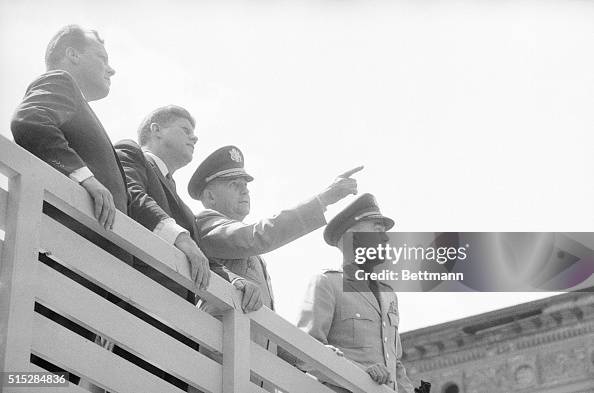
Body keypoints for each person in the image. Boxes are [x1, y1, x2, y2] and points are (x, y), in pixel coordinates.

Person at [11, 25, 209, 290]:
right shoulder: (60, 81)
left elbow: (130, 200)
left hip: (95, 267)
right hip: (67, 256)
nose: (111, 69)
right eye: (102, 59)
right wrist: (84, 178)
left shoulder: (80, 108)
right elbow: (29, 120)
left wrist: (181, 238)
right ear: (72, 54)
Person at [188, 145, 361, 390]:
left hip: (252, 377)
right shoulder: (206, 225)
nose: (244, 190)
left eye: (245, 185)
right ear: (210, 197)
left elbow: (264, 324)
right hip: (222, 374)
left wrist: (311, 354)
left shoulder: (251, 254)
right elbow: (257, 236)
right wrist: (323, 199)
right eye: (234, 184)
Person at [115, 105, 261, 307]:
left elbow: (203, 257)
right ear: (156, 130)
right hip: (134, 301)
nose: (195, 138)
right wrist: (182, 238)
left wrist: (234, 280)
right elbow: (132, 195)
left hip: (174, 316)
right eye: (185, 130)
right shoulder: (130, 152)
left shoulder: (182, 206)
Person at [296, 193, 415, 393]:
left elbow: (395, 364)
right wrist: (360, 373)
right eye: (377, 229)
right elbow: (304, 353)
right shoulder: (326, 283)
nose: (385, 237)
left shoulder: (389, 295)